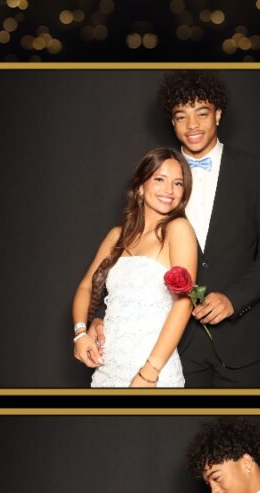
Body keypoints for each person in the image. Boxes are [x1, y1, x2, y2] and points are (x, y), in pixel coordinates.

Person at [158, 69, 260, 389]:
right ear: (173, 123)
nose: (192, 125)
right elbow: (135, 249)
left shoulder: (254, 170)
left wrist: (233, 299)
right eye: (182, 116)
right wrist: (99, 317)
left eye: (202, 113)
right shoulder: (160, 175)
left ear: (218, 114)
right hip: (176, 342)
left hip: (242, 340)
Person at [72, 148, 197, 389]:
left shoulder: (178, 229)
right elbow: (86, 286)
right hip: (107, 367)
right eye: (159, 179)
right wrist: (80, 333)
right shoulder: (117, 236)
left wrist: (150, 372)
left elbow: (183, 304)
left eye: (178, 183)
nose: (169, 190)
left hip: (151, 371)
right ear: (140, 186)